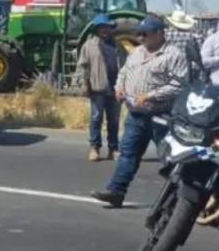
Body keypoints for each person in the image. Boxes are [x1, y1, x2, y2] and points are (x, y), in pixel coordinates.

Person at [91, 15, 189, 208]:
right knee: (128, 154)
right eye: (140, 34)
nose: (141, 37)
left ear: (160, 34)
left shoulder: (174, 55)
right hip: (136, 114)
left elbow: (179, 84)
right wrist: (119, 88)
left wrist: (151, 95)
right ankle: (116, 192)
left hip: (161, 115)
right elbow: (124, 72)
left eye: (146, 34)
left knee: (169, 158)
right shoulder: (136, 52)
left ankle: (184, 200)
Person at [76, 14, 122, 162]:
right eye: (102, 28)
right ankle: (94, 148)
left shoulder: (118, 46)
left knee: (113, 121)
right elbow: (83, 67)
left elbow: (127, 67)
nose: (105, 31)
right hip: (97, 88)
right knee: (96, 119)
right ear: (97, 30)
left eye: (107, 28)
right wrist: (84, 85)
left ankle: (113, 149)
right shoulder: (89, 46)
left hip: (115, 89)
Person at [164, 9, 202, 83]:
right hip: (188, 70)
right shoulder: (194, 37)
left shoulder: (166, 35)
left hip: (169, 68)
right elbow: (199, 55)